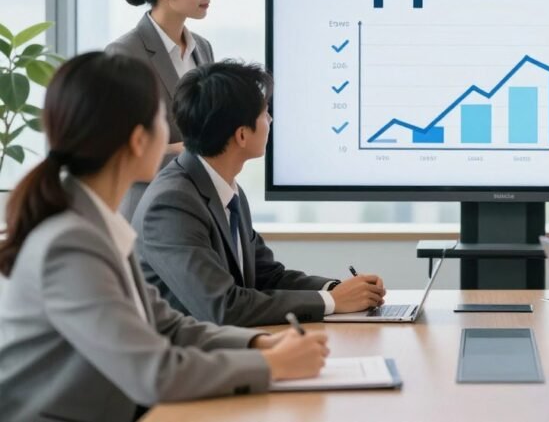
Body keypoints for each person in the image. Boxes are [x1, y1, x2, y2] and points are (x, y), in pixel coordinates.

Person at [0, 53, 327, 422]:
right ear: (139, 140)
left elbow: (167, 326)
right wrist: (271, 364)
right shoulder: (70, 244)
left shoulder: (95, 226)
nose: (176, 136)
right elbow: (154, 373)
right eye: (161, 120)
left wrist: (260, 343)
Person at [132, 61, 386, 326]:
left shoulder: (226, 190)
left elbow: (267, 276)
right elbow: (224, 307)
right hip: (189, 350)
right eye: (265, 113)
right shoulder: (171, 204)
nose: (271, 120)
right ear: (242, 135)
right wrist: (332, 301)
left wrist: (337, 290)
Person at [107, 0, 217, 221]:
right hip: (147, 215)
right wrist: (196, 151)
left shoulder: (202, 49)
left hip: (198, 212)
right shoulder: (124, 54)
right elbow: (119, 155)